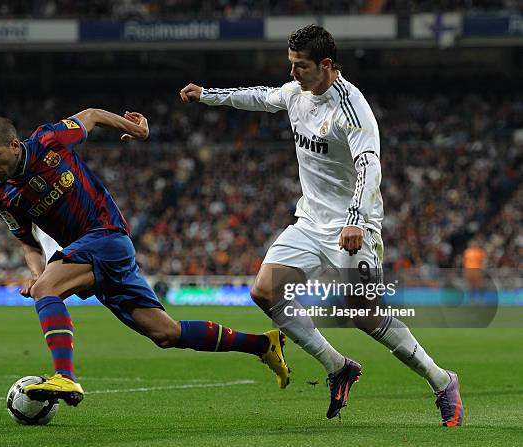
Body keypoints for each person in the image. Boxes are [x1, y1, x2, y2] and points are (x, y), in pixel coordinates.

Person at [180, 24, 463, 426]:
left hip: (354, 224)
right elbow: (261, 97)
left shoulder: (351, 107)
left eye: (301, 66)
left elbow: (369, 165)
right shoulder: (297, 93)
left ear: (326, 65)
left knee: (364, 315)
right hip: (310, 220)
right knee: (264, 292)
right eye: (291, 64)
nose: (293, 73)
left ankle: (442, 381)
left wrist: (355, 221)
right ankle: (338, 366)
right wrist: (208, 95)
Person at [0, 108, 290, 407]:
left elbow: (92, 115)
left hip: (106, 235)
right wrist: (36, 274)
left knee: (47, 291)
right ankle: (263, 345)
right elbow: (28, 243)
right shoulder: (0, 194)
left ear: (14, 145)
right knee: (166, 333)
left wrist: (136, 129)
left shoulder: (47, 140)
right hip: (93, 254)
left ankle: (65, 377)